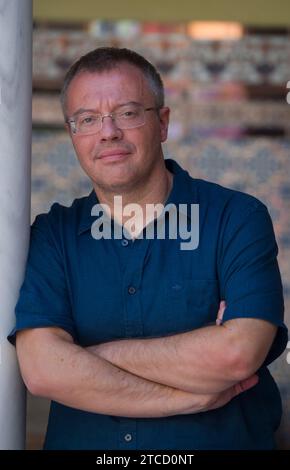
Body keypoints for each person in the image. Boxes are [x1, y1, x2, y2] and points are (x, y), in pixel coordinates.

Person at [8, 47, 287, 450]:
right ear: (72, 134)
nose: (108, 132)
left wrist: (82, 356)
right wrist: (188, 397)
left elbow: (238, 356)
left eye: (127, 112)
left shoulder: (236, 218)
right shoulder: (51, 236)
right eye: (86, 119)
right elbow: (42, 372)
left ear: (162, 123)